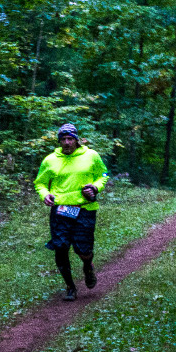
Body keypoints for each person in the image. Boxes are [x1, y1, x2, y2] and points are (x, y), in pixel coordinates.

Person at [35, 123, 109, 301]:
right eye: (63, 139)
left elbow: (104, 174)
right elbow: (40, 183)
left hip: (84, 209)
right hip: (60, 211)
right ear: (59, 141)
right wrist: (45, 194)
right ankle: (70, 287)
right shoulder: (50, 160)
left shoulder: (91, 156)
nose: (67, 142)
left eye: (70, 139)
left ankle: (88, 266)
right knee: (60, 248)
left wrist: (96, 187)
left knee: (83, 250)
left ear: (76, 140)